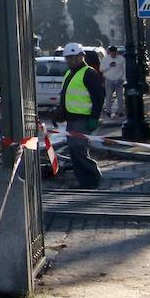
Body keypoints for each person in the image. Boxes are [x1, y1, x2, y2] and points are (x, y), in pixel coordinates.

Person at [57, 41, 104, 190]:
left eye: (74, 57)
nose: (71, 60)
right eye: (68, 58)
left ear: (81, 56)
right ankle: (85, 180)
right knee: (74, 149)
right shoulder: (69, 73)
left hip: (83, 119)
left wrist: (94, 118)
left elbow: (98, 97)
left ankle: (92, 177)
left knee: (77, 148)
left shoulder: (89, 73)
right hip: (72, 119)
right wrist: (60, 113)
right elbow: (66, 95)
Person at [101, 45, 126, 120]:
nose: (113, 55)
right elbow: (101, 69)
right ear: (109, 52)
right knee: (108, 96)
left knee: (120, 96)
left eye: (114, 53)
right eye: (112, 53)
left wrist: (123, 78)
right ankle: (108, 111)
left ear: (116, 52)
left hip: (118, 80)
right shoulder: (105, 59)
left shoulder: (121, 59)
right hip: (108, 79)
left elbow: (124, 69)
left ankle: (120, 111)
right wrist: (109, 66)